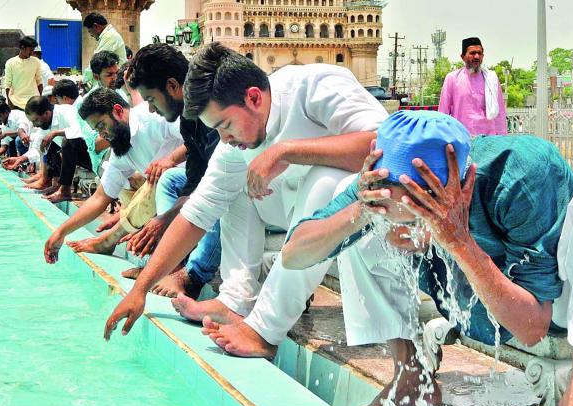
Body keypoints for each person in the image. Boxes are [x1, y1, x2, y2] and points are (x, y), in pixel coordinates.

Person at [281, 111, 573, 406]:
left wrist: (457, 241)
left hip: (569, 296)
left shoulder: (521, 172)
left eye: (415, 211)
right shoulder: (380, 183)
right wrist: (363, 209)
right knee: (358, 228)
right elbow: (294, 255)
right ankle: (409, 377)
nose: (394, 219)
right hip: (483, 301)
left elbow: (533, 327)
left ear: (444, 194)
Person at [103, 42, 388, 359]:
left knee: (326, 178)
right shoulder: (233, 144)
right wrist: (140, 289)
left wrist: (286, 151)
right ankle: (235, 300)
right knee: (231, 186)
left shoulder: (316, 84)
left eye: (224, 125)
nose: (224, 139)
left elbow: (384, 150)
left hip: (358, 215)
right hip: (289, 212)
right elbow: (197, 214)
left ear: (253, 97)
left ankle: (265, 329)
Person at [105, 42, 222, 299]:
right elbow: (193, 182)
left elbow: (216, 184)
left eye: (150, 99)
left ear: (172, 86)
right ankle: (173, 262)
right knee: (170, 179)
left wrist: (165, 219)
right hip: (217, 183)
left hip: (259, 186)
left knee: (216, 194)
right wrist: (164, 218)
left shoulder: (214, 108)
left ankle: (193, 275)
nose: (149, 109)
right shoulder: (189, 119)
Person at [43, 87, 184, 264]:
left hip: (192, 185)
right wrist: (61, 232)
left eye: (102, 125)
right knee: (133, 182)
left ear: (117, 111)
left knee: (161, 178)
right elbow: (100, 197)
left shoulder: (153, 117)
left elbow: (201, 140)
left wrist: (171, 159)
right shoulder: (121, 148)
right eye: (97, 130)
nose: (102, 135)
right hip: (168, 196)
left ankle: (111, 240)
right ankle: (117, 235)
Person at [3, 51, 121, 191]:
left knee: (66, 141)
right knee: (49, 144)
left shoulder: (68, 111)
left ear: (46, 113)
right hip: (97, 151)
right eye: (109, 74)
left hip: (107, 148)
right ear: (96, 76)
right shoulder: (92, 99)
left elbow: (81, 133)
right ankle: (52, 182)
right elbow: (37, 149)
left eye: (116, 73)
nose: (115, 78)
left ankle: (63, 189)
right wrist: (20, 159)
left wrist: (56, 133)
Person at [438, 37, 506, 136]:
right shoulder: (452, 79)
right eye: (472, 53)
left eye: (479, 53)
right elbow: (443, 114)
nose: (477, 56)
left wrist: (502, 140)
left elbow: (500, 114)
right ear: (463, 57)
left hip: (488, 140)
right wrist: (444, 141)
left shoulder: (491, 79)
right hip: (462, 139)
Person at [82, 13, 127, 87]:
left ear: (95, 26)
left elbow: (97, 61)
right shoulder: (109, 35)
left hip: (117, 82)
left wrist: (84, 80)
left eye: (90, 31)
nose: (91, 35)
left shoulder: (109, 36)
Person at [3, 36, 43, 110]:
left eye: (33, 50)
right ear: (22, 47)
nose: (32, 53)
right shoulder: (10, 63)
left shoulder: (36, 62)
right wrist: (10, 103)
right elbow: (7, 84)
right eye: (30, 50)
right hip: (16, 103)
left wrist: (40, 99)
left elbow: (39, 82)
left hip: (33, 102)